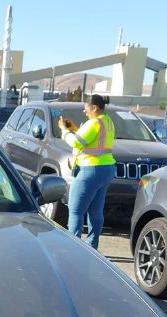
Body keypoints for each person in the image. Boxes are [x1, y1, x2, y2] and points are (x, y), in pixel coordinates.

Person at [57, 94, 116, 249]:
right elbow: (90, 140)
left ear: (94, 108)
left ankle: (73, 248)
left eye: (86, 109)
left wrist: (64, 131)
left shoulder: (94, 123)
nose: (85, 112)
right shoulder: (107, 122)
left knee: (75, 211)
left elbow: (76, 142)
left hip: (90, 169)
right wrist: (74, 128)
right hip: (106, 168)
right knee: (96, 211)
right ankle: (92, 247)